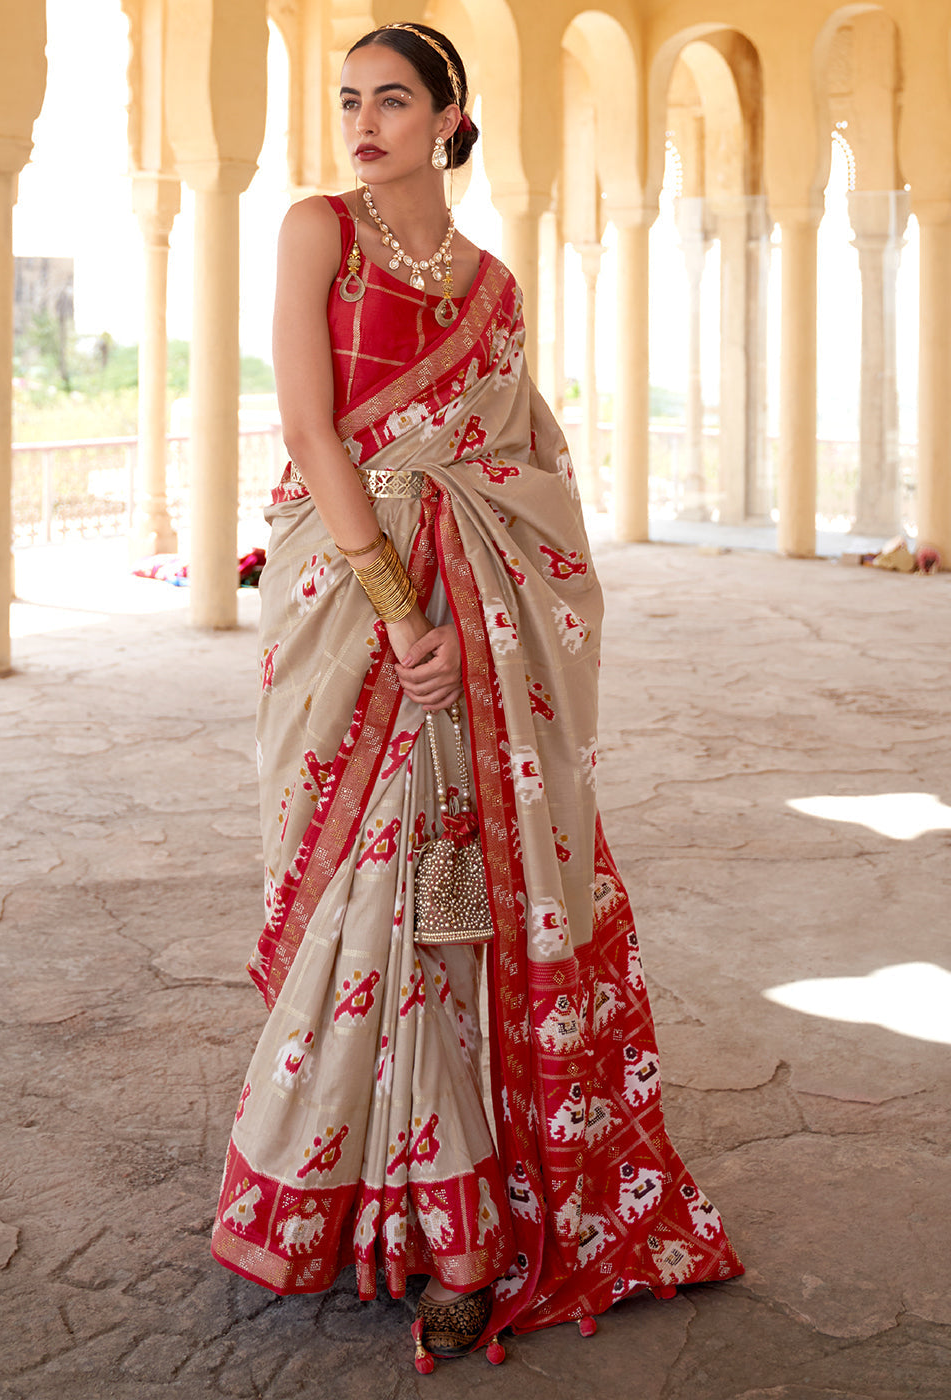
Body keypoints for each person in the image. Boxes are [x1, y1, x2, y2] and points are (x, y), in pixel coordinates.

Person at [211, 20, 743, 1370]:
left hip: (484, 621)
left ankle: (462, 1223)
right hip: (356, 606)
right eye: (349, 100)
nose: (364, 121)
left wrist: (476, 590)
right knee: (357, 890)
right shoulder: (315, 229)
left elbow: (524, 453)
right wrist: (398, 608)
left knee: (453, 903)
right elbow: (309, 426)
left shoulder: (496, 287)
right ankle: (354, 1180)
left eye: (393, 99)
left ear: (452, 118)